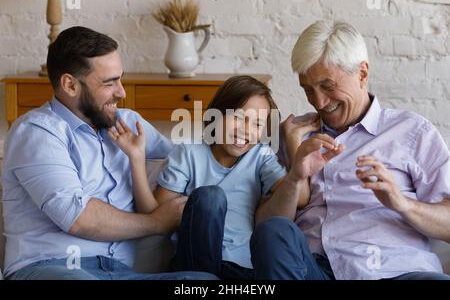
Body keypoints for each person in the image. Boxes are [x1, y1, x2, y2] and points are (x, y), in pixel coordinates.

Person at [1, 26, 216, 280]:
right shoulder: (37, 132)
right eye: (109, 82)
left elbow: (188, 160)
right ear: (70, 84)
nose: (122, 92)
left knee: (202, 283)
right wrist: (157, 222)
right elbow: (78, 218)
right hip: (51, 268)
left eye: (120, 79)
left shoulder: (126, 122)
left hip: (121, 274)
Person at [109, 75, 343, 279]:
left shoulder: (260, 156)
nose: (246, 130)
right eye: (239, 117)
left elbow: (300, 198)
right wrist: (137, 158)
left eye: (257, 124)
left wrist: (294, 154)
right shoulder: (189, 153)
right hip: (196, 265)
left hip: (246, 270)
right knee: (210, 196)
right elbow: (154, 214)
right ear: (215, 115)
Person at [274, 20, 450, 280]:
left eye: (328, 86)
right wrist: (294, 168)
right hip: (314, 270)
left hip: (397, 271)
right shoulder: (294, 134)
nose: (319, 102)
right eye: (308, 89)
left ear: (362, 74)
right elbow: (268, 226)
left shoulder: (413, 132)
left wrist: (402, 204)